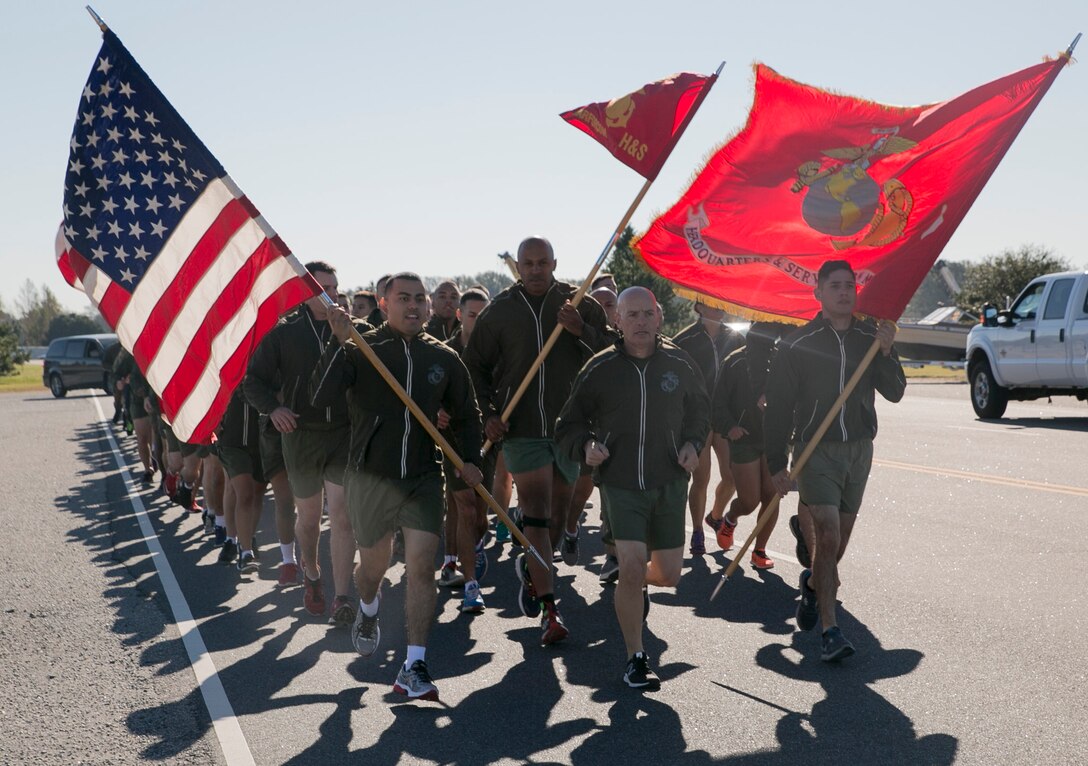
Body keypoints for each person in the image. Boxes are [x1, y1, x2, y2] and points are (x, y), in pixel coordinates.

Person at [315, 272, 484, 701]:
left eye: (420, 299)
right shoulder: (363, 351)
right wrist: (337, 341)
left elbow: (467, 414)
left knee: (422, 565)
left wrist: (470, 460)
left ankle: (415, 664)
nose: (413, 305)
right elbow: (322, 395)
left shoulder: (443, 358)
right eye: (403, 298)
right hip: (371, 479)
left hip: (424, 477)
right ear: (384, 305)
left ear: (428, 307)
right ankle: (368, 607)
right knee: (372, 567)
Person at [556, 287, 709, 690]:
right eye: (631, 315)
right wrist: (585, 446)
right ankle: (636, 657)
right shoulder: (599, 368)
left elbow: (700, 411)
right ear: (617, 321)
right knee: (629, 568)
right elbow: (568, 425)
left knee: (669, 576)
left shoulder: (679, 362)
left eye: (647, 313)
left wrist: (694, 443)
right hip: (621, 485)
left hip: (670, 483)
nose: (640, 321)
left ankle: (632, 581)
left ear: (659, 318)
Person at [464, 237, 610, 645]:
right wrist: (489, 414)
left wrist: (580, 330)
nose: (534, 270)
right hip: (522, 429)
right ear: (519, 266)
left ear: (554, 263)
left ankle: (531, 569)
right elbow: (473, 366)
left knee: (561, 523)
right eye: (527, 263)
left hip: (571, 429)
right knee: (537, 517)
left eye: (542, 262)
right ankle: (550, 610)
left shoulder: (579, 303)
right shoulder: (500, 312)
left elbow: (612, 352)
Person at [764, 260, 905, 662]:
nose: (844, 292)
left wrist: (887, 351)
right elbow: (778, 408)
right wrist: (778, 461)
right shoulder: (798, 343)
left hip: (858, 450)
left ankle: (811, 587)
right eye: (836, 286)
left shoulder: (869, 335)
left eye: (849, 285)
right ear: (819, 293)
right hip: (815, 450)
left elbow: (894, 392)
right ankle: (830, 630)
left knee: (835, 546)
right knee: (826, 536)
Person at [244, 261, 363, 624]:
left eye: (336, 288)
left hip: (343, 434)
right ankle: (311, 573)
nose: (332, 296)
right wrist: (274, 408)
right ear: (305, 291)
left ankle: (342, 596)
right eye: (323, 289)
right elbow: (252, 382)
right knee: (309, 519)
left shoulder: (352, 329)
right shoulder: (283, 331)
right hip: (301, 435)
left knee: (342, 516)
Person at [673, 302, 744, 554]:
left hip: (726, 419)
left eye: (723, 302)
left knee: (732, 476)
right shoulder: (685, 340)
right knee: (701, 478)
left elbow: (743, 376)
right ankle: (698, 532)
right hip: (697, 420)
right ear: (699, 307)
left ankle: (715, 517)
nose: (720, 307)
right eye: (713, 303)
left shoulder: (735, 337)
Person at [439, 288, 492, 613]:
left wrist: (498, 414)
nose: (479, 321)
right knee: (463, 505)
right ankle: (468, 581)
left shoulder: (493, 352)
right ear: (460, 315)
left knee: (480, 514)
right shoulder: (445, 353)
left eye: (484, 315)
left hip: (490, 437)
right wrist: (436, 411)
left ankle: (464, 550)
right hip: (454, 439)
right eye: (473, 314)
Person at [710, 342, 779, 569]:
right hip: (744, 438)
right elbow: (718, 401)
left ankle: (759, 550)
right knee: (750, 501)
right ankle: (729, 519)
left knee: (772, 495)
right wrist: (730, 427)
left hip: (773, 438)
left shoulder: (780, 358)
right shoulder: (735, 360)